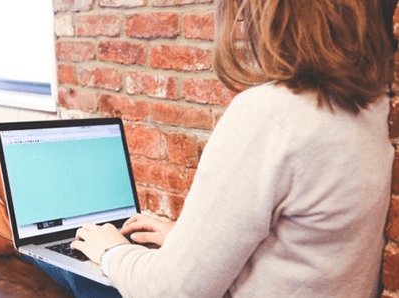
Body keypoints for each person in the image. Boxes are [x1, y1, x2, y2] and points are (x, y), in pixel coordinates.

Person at [68, 0, 398, 297]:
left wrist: (110, 251)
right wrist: (188, 244)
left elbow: (170, 291)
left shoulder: (270, 114)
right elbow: (302, 253)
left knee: (60, 271)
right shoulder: (372, 110)